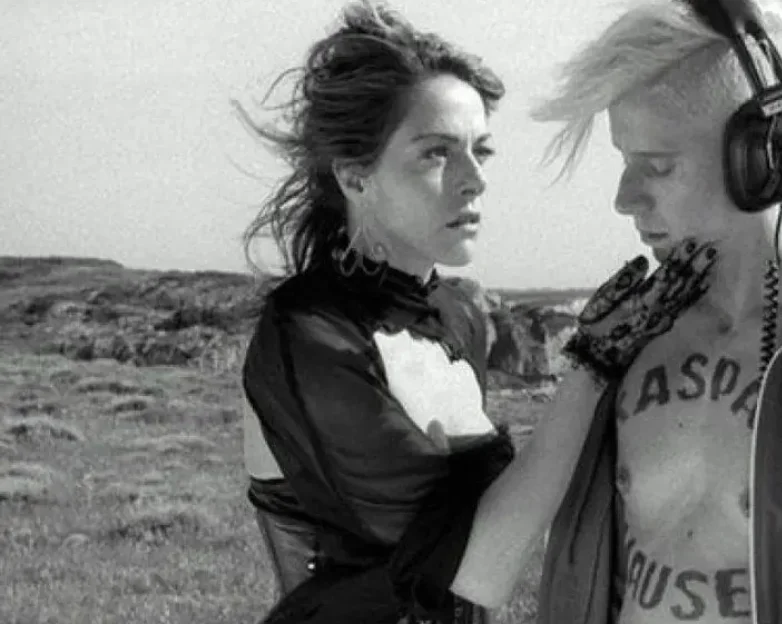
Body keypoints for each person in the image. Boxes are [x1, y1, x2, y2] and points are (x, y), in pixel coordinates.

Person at [456, 1, 782, 623]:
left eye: (657, 166)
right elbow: (490, 571)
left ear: (762, 158)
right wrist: (587, 367)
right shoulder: (626, 340)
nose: (624, 198)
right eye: (624, 161)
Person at [236, 2, 718, 623]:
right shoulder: (308, 332)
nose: (474, 180)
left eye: (480, 152)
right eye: (437, 154)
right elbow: (479, 570)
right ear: (355, 179)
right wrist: (592, 362)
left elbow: (506, 510)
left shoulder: (458, 312)